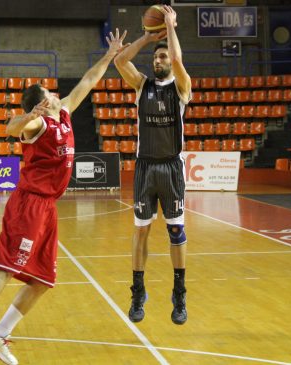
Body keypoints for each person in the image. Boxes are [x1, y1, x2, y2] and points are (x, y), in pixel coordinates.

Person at [0, 29, 127, 364]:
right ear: (41, 102)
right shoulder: (37, 125)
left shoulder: (64, 112)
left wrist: (109, 56)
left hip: (49, 208)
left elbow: (88, 80)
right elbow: (10, 128)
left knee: (42, 279)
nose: (56, 93)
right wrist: (30, 115)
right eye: (50, 93)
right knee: (6, 266)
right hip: (28, 203)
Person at [114, 5, 191, 325]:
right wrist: (147, 39)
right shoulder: (142, 85)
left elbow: (177, 60)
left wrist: (170, 27)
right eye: (156, 58)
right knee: (141, 233)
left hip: (171, 168)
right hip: (146, 168)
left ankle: (179, 293)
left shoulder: (182, 86)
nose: (159, 61)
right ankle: (138, 291)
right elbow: (120, 61)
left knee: (176, 231)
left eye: (163, 57)